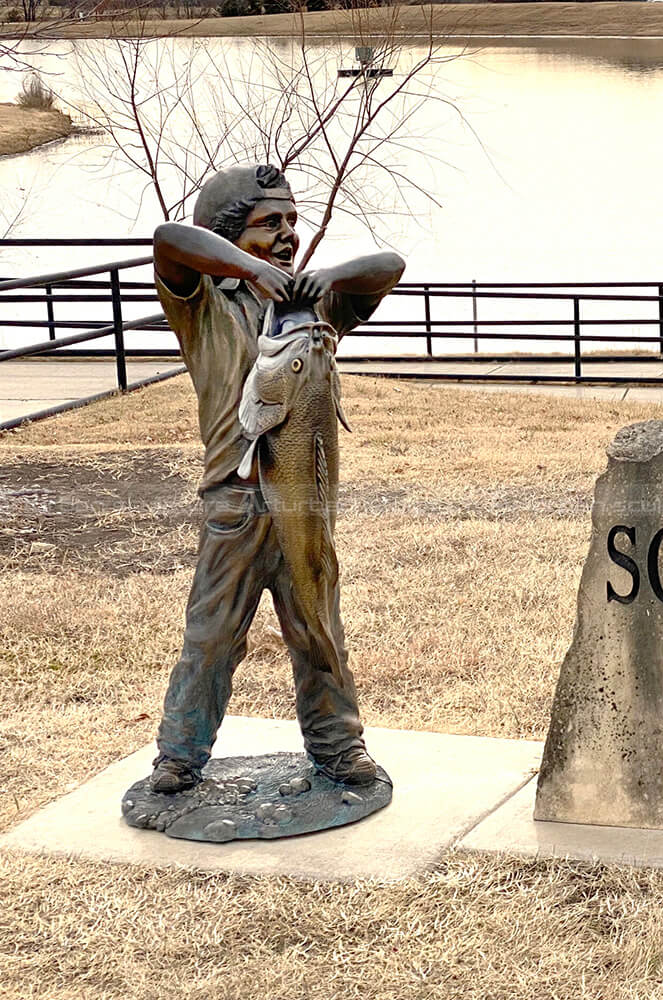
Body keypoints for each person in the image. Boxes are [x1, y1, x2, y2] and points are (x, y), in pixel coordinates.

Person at [149, 163, 405, 793]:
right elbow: (167, 241)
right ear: (233, 233)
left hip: (305, 502)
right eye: (270, 223)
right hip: (235, 506)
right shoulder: (203, 308)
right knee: (211, 637)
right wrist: (256, 270)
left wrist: (327, 276)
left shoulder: (312, 304)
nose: (289, 233)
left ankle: (339, 746)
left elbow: (390, 265)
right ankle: (179, 754)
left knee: (318, 627)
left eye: (293, 219)